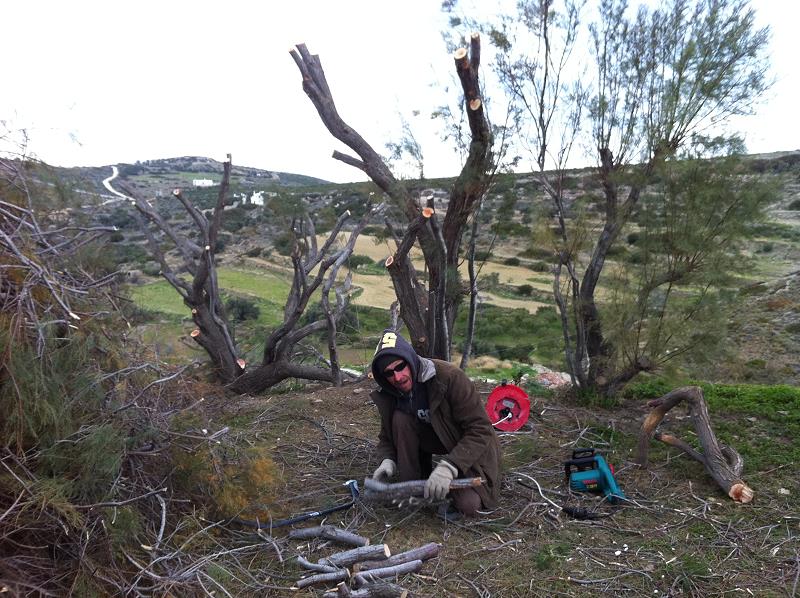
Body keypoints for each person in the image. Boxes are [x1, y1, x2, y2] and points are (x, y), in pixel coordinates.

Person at [369, 329, 501, 517]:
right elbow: (386, 436)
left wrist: (450, 466)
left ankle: (443, 483)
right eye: (389, 373)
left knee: (469, 505)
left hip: (463, 442)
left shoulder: (450, 378)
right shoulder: (392, 391)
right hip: (432, 437)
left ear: (410, 359)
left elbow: (481, 429)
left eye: (400, 367)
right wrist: (387, 460)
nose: (397, 377)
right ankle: (411, 486)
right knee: (400, 418)